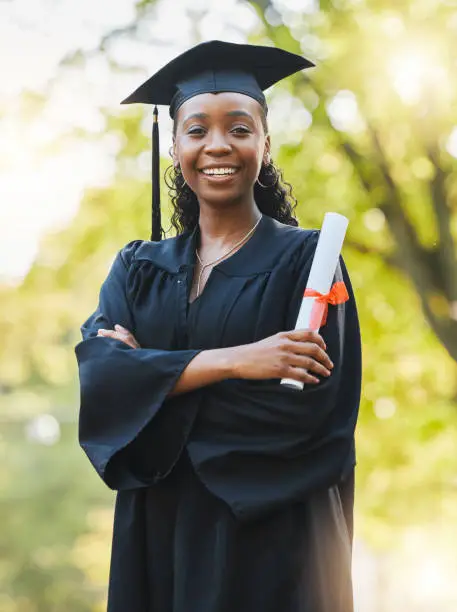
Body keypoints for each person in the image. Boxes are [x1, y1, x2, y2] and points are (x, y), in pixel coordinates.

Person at [75, 40, 362, 612]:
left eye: (238, 127)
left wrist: (152, 385)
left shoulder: (311, 262)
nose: (217, 145)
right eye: (197, 130)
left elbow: (312, 414)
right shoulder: (138, 267)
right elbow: (103, 386)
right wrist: (235, 362)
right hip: (159, 536)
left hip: (272, 540)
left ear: (264, 141)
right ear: (175, 144)